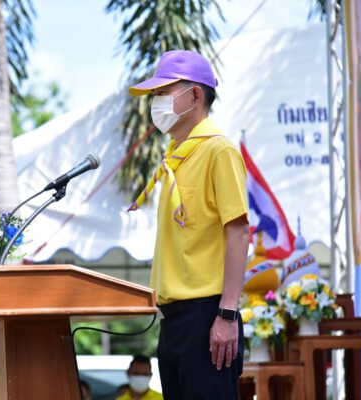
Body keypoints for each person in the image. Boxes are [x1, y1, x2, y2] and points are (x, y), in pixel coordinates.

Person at [127, 50, 249, 399]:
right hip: (173, 321)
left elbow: (239, 232)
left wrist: (227, 314)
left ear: (195, 95)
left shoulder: (218, 151)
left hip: (208, 315)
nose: (156, 102)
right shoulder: (174, 159)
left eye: (163, 92)